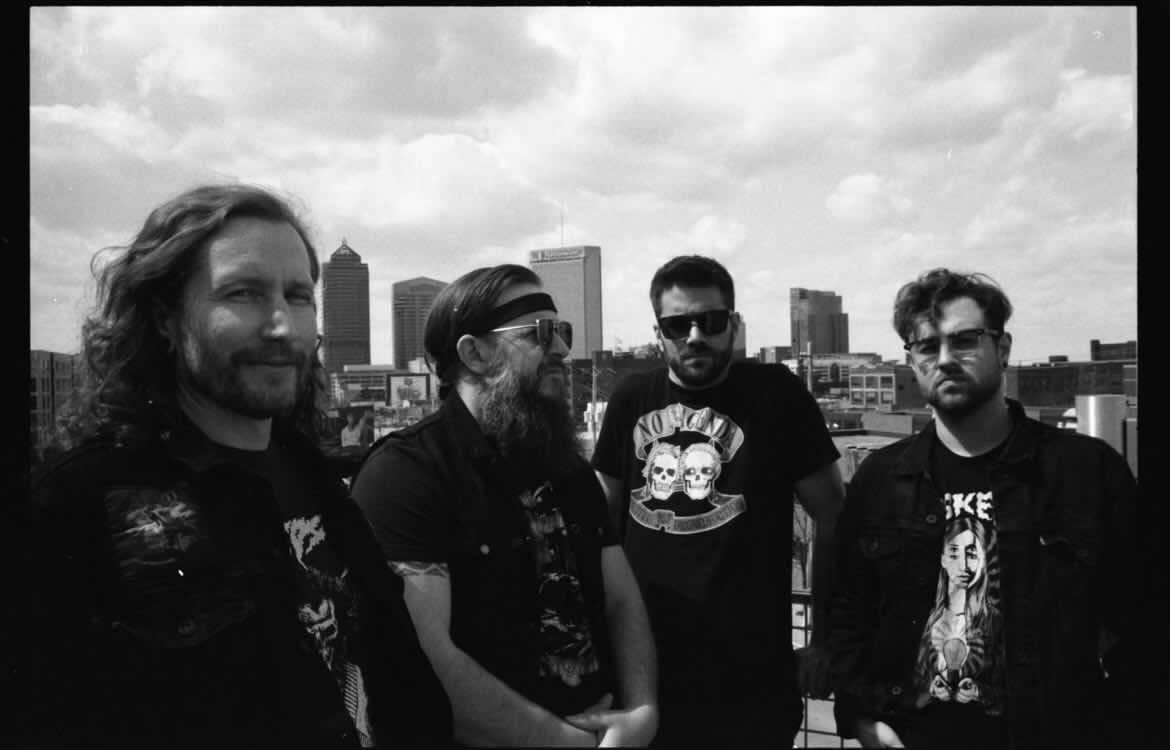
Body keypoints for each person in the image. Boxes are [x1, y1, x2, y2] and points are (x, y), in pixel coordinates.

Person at [17, 184, 448, 747]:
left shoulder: (314, 475)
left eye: (298, 296)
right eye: (243, 294)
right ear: (165, 318)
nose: (281, 326)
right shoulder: (76, 506)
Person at [827, 268, 1142, 749]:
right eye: (928, 347)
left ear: (1004, 348)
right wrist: (862, 718)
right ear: (912, 361)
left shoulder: (1084, 472)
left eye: (965, 340)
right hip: (913, 736)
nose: (946, 359)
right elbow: (846, 610)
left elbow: (1142, 619)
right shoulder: (880, 479)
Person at [351, 264, 658, 747]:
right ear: (473, 352)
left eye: (562, 331)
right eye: (539, 333)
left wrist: (642, 711)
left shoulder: (569, 470)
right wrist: (566, 744)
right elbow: (423, 661)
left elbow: (621, 600)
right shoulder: (406, 475)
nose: (559, 348)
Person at [590, 255, 845, 747]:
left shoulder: (777, 396)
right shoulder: (629, 399)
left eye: (709, 321)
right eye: (677, 323)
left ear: (734, 323)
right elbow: (600, 524)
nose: (693, 336)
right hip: (647, 672)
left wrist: (826, 637)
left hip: (752, 681)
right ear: (659, 330)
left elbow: (833, 513)